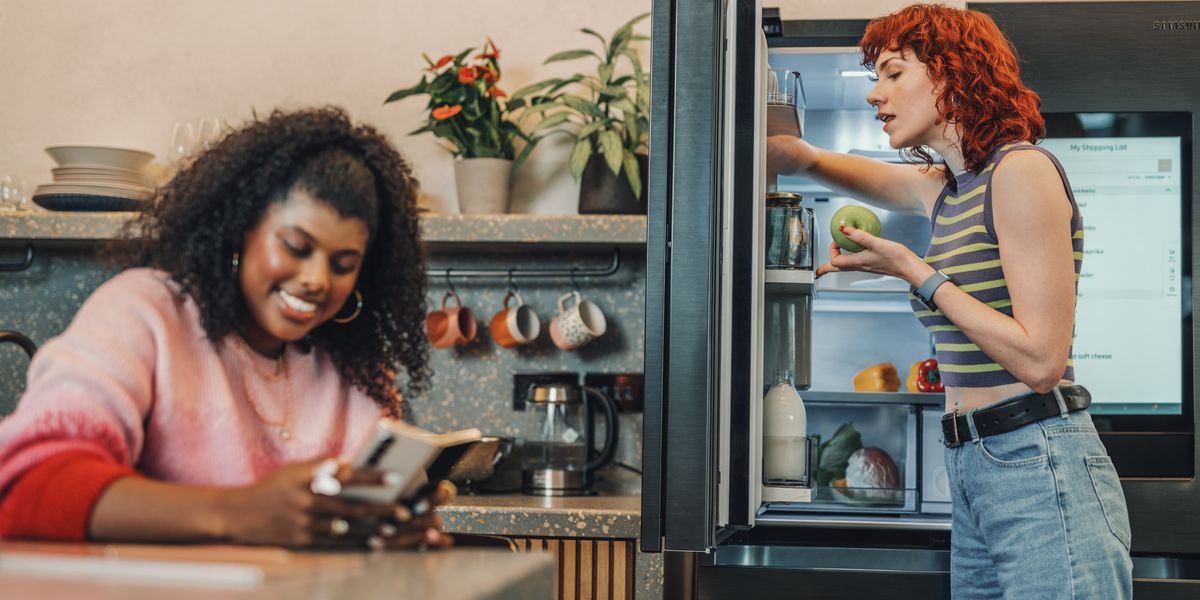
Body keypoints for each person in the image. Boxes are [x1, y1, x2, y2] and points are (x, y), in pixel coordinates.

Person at [767, 4, 1132, 598]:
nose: (874, 95)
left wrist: (915, 271)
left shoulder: (1022, 171)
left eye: (892, 73)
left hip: (1037, 457)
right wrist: (775, 147)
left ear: (949, 72)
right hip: (973, 463)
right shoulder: (953, 188)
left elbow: (1040, 361)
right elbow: (820, 162)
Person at [0, 107, 453, 550]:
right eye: (296, 247)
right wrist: (241, 513)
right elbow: (26, 483)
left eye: (343, 264)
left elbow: (336, 534)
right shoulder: (147, 311)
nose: (317, 279)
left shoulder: (353, 371)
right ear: (240, 230)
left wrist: (389, 528)